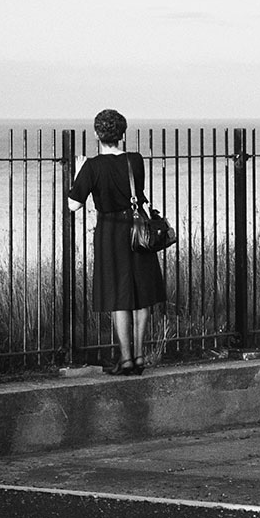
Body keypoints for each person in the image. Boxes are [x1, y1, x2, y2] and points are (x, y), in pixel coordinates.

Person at [68, 109, 167, 375]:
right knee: (142, 294)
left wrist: (79, 171)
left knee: (118, 296)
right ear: (122, 134)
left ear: (97, 134)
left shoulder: (92, 166)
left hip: (111, 231)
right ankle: (139, 357)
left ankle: (125, 360)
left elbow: (74, 205)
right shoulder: (135, 160)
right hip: (138, 230)